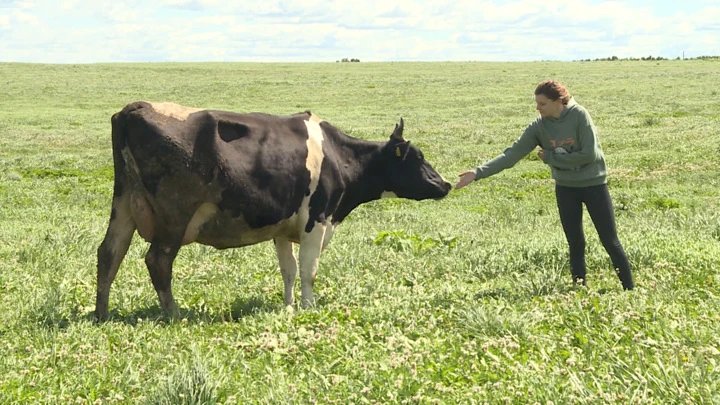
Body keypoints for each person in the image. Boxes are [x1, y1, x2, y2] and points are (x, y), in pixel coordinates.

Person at [455, 80, 634, 290]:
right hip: (566, 189)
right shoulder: (538, 127)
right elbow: (512, 154)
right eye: (537, 103)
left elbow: (589, 154)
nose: (537, 108)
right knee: (575, 243)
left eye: (542, 103)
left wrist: (551, 157)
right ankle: (579, 288)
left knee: (609, 241)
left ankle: (629, 289)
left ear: (558, 101)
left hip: (594, 185)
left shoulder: (579, 115)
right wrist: (477, 173)